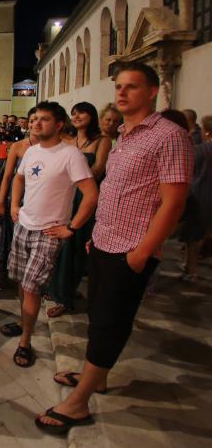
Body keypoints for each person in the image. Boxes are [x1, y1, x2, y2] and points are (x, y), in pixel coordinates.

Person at [36, 62, 193, 435]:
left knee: (110, 322)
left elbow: (173, 203)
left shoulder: (169, 136)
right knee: (98, 316)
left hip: (131, 250)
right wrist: (99, 231)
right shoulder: (126, 134)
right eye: (119, 86)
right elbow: (121, 191)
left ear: (152, 92)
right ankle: (98, 378)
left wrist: (142, 252)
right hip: (106, 241)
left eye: (132, 87)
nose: (121, 93)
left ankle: (78, 405)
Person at [4, 101, 97, 368]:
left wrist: (71, 228)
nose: (35, 123)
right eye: (33, 119)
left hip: (48, 231)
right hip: (24, 226)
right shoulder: (31, 152)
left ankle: (25, 341)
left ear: (59, 124)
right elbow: (18, 177)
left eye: (43, 119)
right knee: (22, 282)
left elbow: (91, 196)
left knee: (32, 288)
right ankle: (24, 322)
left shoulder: (70, 155)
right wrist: (14, 204)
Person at [46, 102, 112, 317]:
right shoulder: (68, 141)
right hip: (66, 196)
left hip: (85, 197)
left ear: (91, 115)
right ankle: (57, 289)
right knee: (60, 247)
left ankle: (65, 298)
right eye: (73, 113)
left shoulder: (102, 141)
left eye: (81, 112)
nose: (76, 116)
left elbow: (98, 168)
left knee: (75, 247)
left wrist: (73, 176)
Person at [0, 109, 39, 286]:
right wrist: (1, 201)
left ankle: (28, 275)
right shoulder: (18, 146)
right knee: (7, 237)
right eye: (32, 120)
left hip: (36, 201)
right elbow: (7, 176)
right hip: (15, 199)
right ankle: (3, 271)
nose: (35, 124)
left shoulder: (53, 147)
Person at [179, 114, 212, 281]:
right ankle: (190, 267)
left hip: (199, 195)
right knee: (201, 234)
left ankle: (191, 269)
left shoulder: (200, 150)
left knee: (194, 236)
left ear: (206, 132)